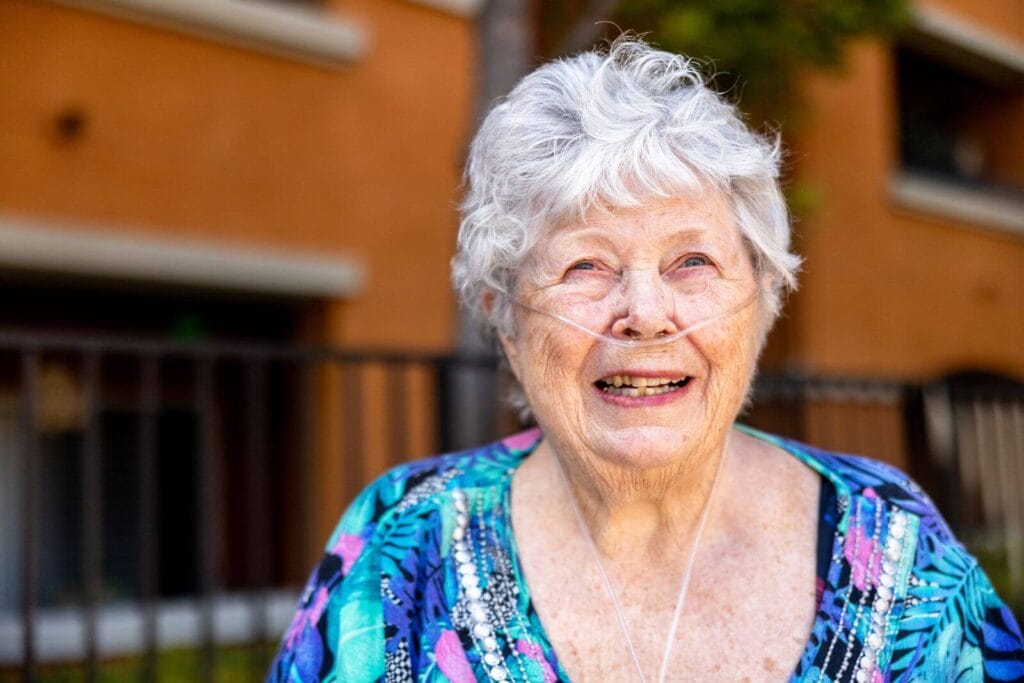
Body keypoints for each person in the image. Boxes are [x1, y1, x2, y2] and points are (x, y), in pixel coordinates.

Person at [269, 39, 1024, 682]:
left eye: (691, 261)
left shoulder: (894, 542)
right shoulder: (400, 542)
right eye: (585, 267)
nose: (646, 313)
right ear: (503, 313)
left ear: (761, 300)